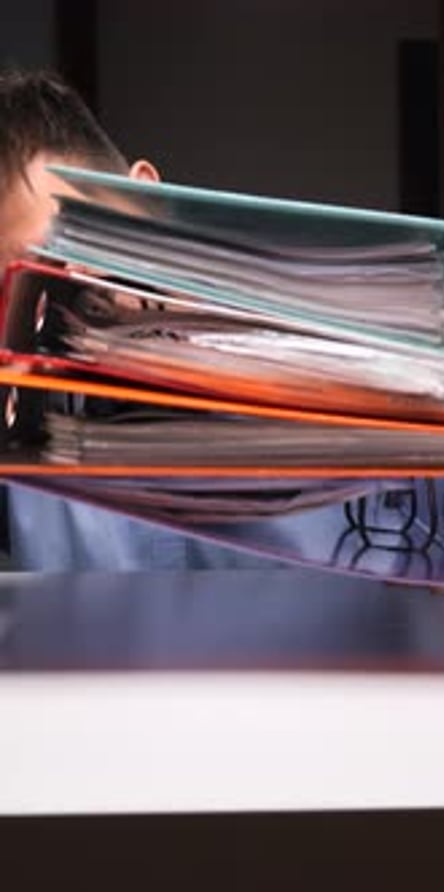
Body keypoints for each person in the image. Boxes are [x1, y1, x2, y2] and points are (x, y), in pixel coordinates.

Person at [0, 67, 287, 570]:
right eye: (11, 296)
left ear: (145, 203)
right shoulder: (20, 441)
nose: (47, 317)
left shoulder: (342, 375)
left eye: (62, 261)